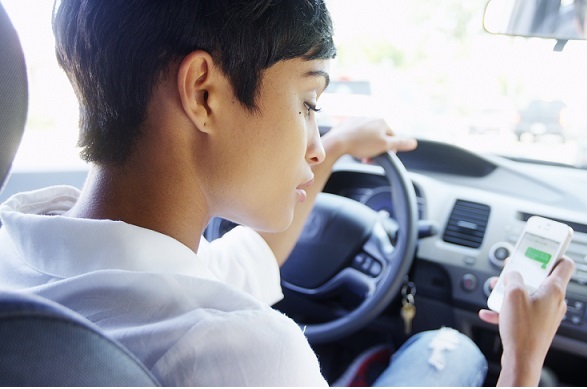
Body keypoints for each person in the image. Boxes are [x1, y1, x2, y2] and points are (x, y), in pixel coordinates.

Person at [0, 0, 572, 386]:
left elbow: (242, 263)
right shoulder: (248, 353)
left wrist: (344, 146)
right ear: (203, 94)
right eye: (308, 104)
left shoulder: (20, 258)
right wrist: (521, 363)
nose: (315, 145)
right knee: (449, 349)